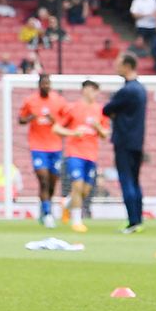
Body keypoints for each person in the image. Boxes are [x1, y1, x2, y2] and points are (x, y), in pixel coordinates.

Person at [102, 55, 148, 232]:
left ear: (127, 66)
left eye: (118, 64)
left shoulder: (127, 90)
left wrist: (115, 114)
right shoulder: (141, 89)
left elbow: (106, 109)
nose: (115, 66)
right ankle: (138, 219)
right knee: (135, 181)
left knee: (127, 180)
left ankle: (133, 221)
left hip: (124, 141)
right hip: (137, 141)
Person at [56, 80, 108, 232]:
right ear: (84, 90)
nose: (94, 93)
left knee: (85, 190)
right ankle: (77, 221)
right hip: (75, 153)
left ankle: (66, 204)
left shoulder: (100, 110)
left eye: (96, 90)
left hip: (91, 154)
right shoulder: (73, 108)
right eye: (92, 89)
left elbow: (105, 134)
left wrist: (98, 126)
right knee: (77, 186)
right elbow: (57, 128)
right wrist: (73, 132)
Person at [18, 74, 67, 228]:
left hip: (55, 147)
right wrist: (29, 118)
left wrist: (55, 121)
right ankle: (47, 213)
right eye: (43, 84)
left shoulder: (59, 101)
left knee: (52, 182)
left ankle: (46, 205)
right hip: (38, 147)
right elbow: (20, 119)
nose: (46, 86)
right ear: (39, 85)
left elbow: (65, 121)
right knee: (43, 179)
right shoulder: (30, 101)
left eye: (48, 84)